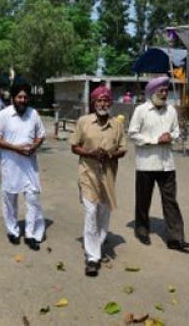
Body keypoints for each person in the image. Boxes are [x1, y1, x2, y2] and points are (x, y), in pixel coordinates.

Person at [127, 76, 189, 253]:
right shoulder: (141, 110)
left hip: (167, 164)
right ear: (152, 92)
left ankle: (176, 239)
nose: (164, 94)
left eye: (166, 91)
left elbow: (176, 131)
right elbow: (132, 134)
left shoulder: (171, 110)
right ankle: (142, 230)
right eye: (161, 91)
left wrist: (171, 136)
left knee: (171, 201)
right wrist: (155, 140)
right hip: (146, 164)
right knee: (143, 200)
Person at [70, 86, 127, 277]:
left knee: (104, 210)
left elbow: (123, 149)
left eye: (106, 100)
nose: (103, 103)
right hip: (88, 173)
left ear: (110, 103)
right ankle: (92, 257)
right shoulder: (83, 122)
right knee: (91, 210)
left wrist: (110, 154)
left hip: (108, 175)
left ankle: (99, 239)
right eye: (99, 100)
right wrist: (90, 153)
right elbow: (74, 146)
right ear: (94, 103)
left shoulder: (117, 125)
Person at [0, 84, 47, 251]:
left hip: (30, 166)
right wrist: (16, 148)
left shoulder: (33, 114)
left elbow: (41, 135)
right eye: (20, 97)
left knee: (33, 199)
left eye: (26, 97)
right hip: (10, 166)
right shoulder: (4, 115)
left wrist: (34, 147)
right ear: (13, 98)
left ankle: (31, 234)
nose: (23, 100)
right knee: (10, 200)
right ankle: (13, 231)